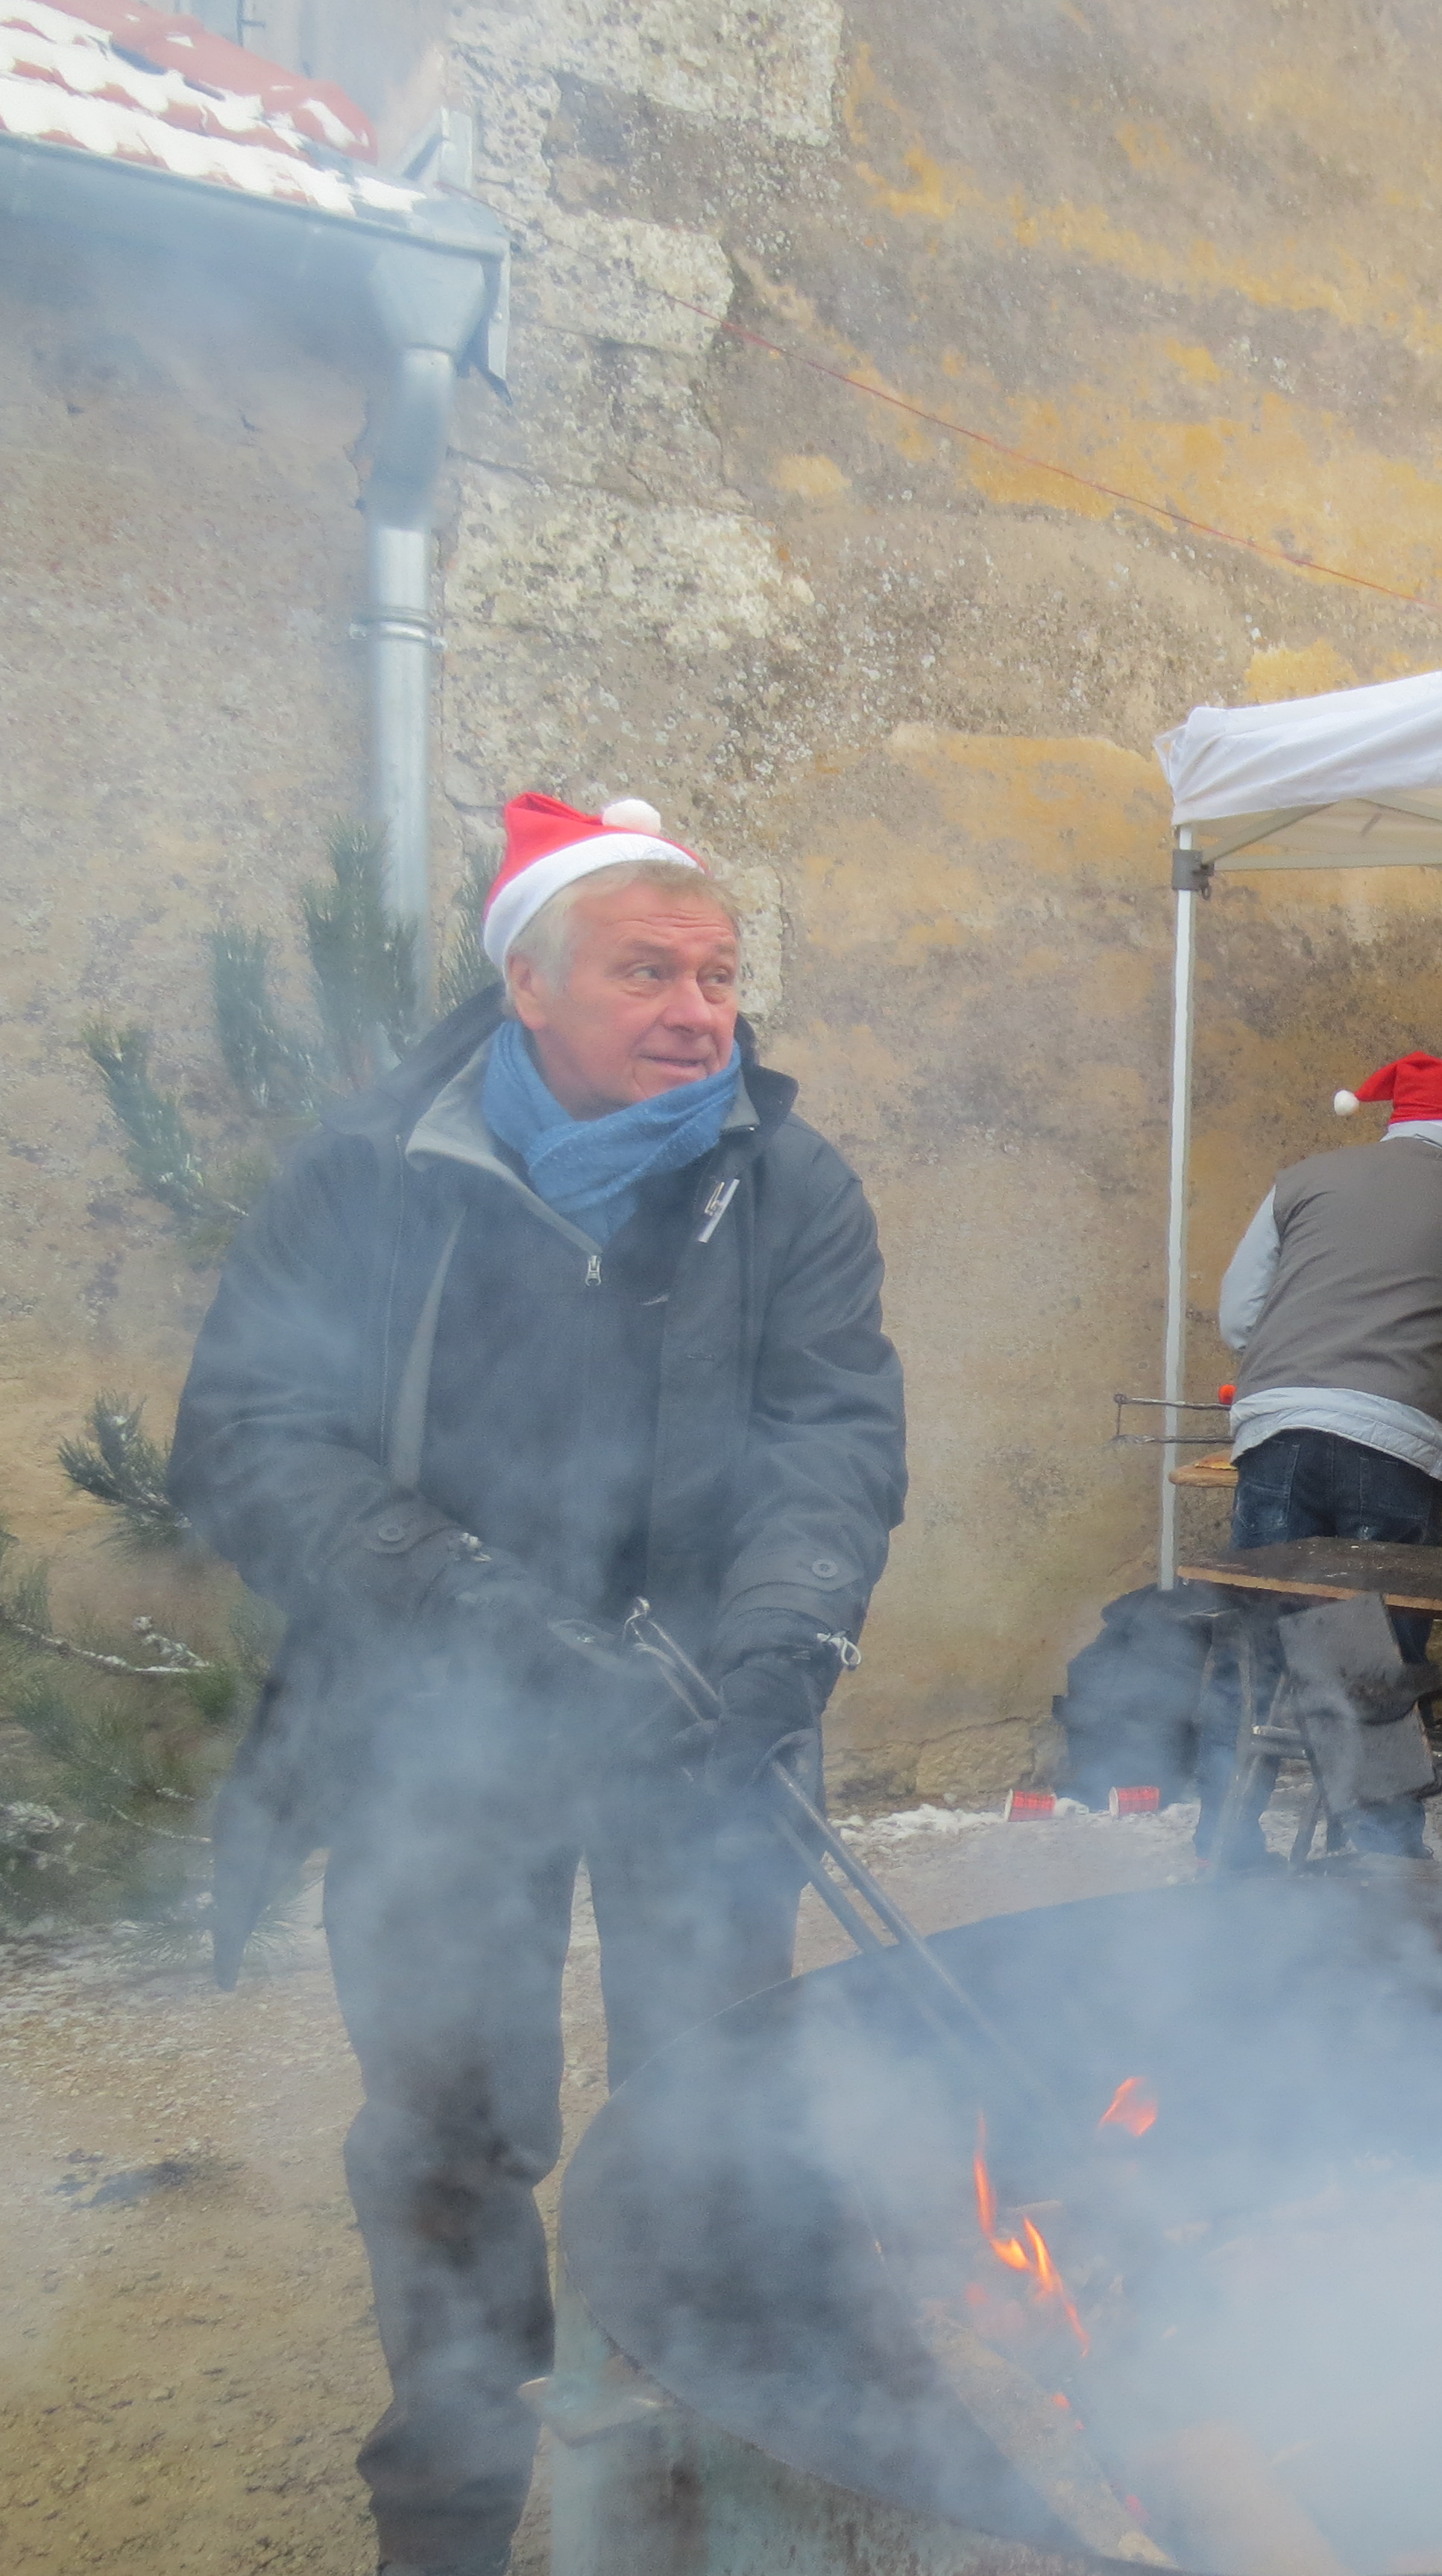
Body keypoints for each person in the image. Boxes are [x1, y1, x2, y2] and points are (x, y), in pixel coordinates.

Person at [176, 792, 907, 2576]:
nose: (698, 1008)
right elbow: (255, 1436)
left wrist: (780, 1638)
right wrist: (486, 1613)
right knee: (444, 2123)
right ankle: (445, 2503)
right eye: (646, 968)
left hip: (698, 1724)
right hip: (444, 1716)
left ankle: (697, 2492)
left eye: (721, 971)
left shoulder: (784, 1178)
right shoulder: (372, 1177)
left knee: (717, 2103)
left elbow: (831, 1430)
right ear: (527, 981)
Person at [1207, 1050, 1442, 1863]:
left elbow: (1240, 1316)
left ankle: (1222, 1839)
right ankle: (1376, 1855)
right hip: (1395, 1438)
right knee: (1375, 1652)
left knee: (1260, 1635)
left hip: (1274, 1427)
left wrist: (1305, 1368)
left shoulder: (1305, 1177)